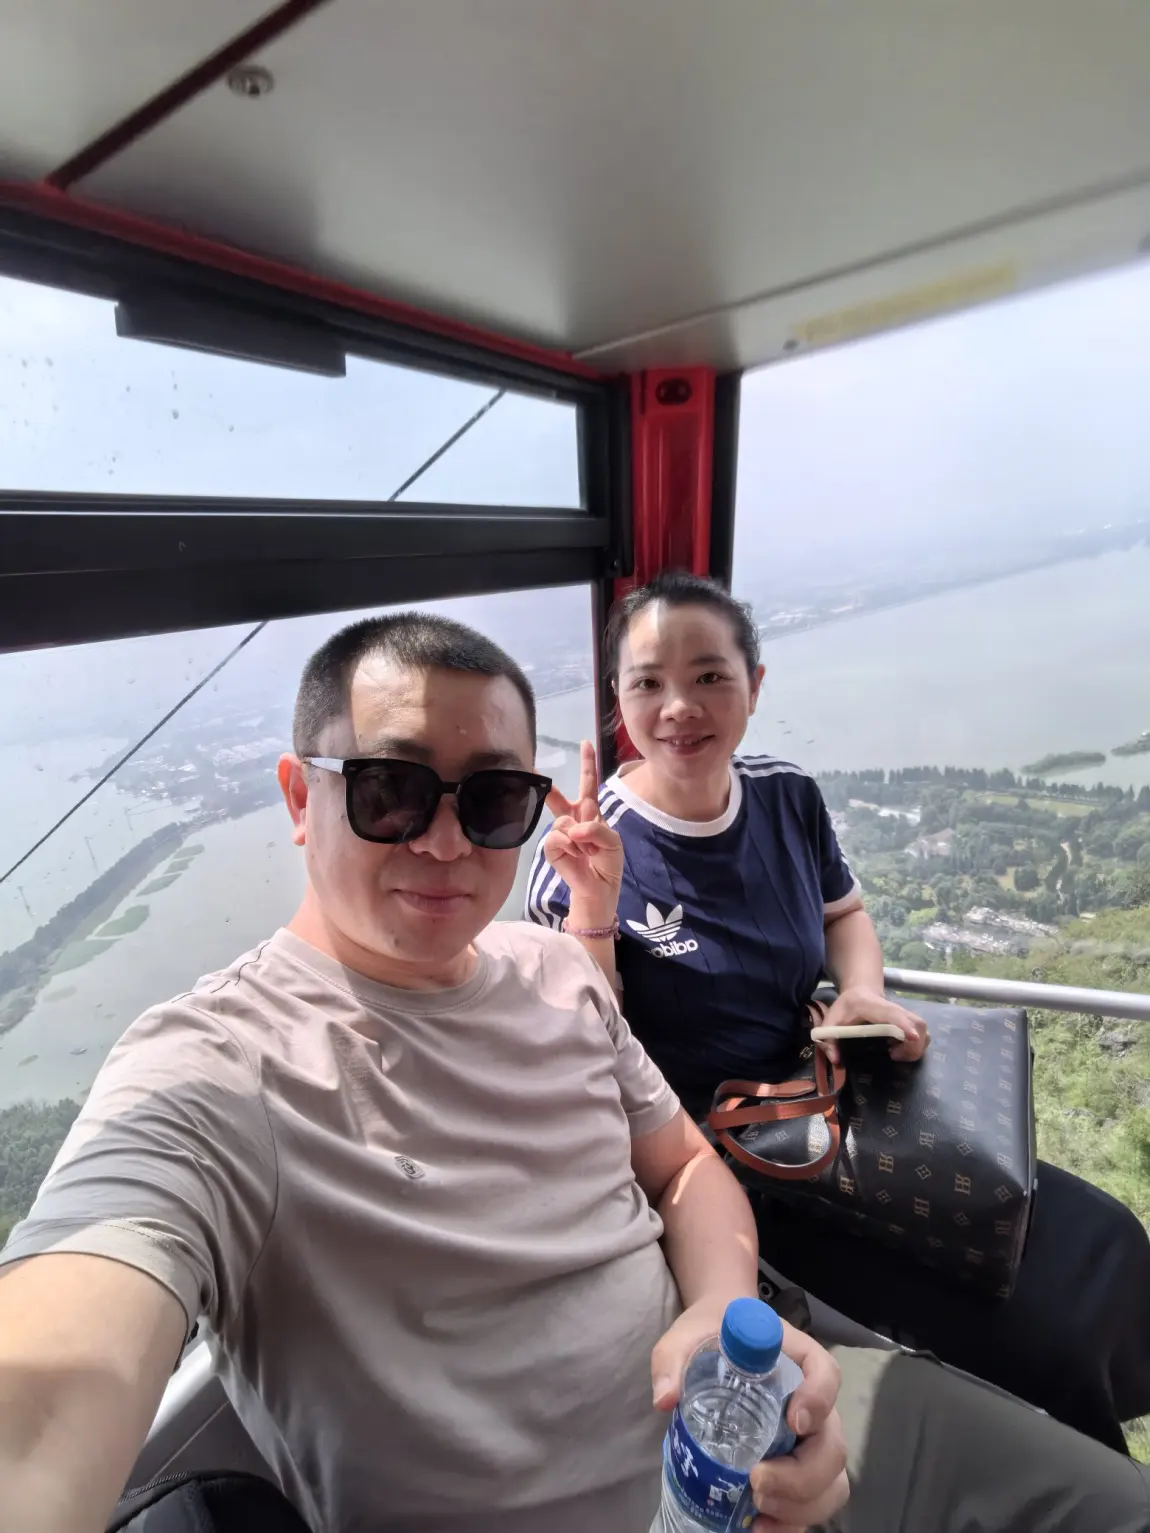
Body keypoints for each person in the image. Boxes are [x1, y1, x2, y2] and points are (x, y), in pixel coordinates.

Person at [1, 612, 1146, 1533]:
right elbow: (43, 1400)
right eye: (391, 790)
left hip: (764, 1448)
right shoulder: (216, 1067)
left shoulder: (555, 971)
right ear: (303, 800)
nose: (444, 841)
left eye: (492, 798)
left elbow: (684, 1169)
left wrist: (721, 1307)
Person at [526, 569, 1150, 1453]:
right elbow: (592, 1054)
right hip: (719, 1163)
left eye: (709, 675)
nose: (679, 706)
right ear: (618, 699)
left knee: (1102, 1242)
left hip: (830, 1098)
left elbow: (843, 913)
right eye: (648, 682)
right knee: (1027, 1332)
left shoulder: (785, 795)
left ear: (754, 685)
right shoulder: (583, 853)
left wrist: (862, 989)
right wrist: (594, 906)